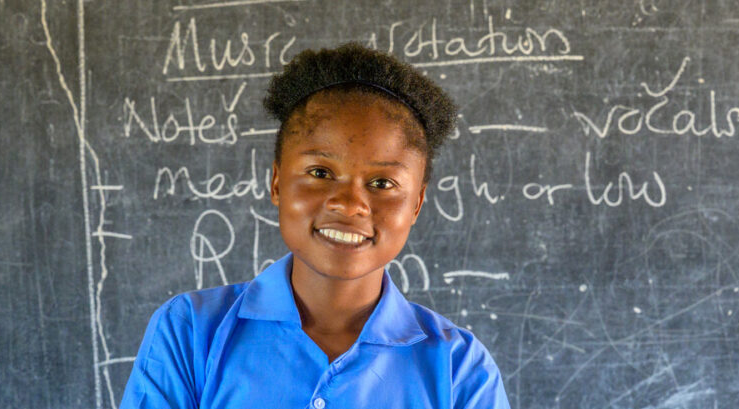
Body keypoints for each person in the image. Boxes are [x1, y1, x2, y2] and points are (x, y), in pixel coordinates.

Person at [119, 43, 509, 409]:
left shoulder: (458, 369)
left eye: (382, 184)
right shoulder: (191, 333)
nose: (349, 203)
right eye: (320, 172)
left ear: (417, 204)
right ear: (276, 183)